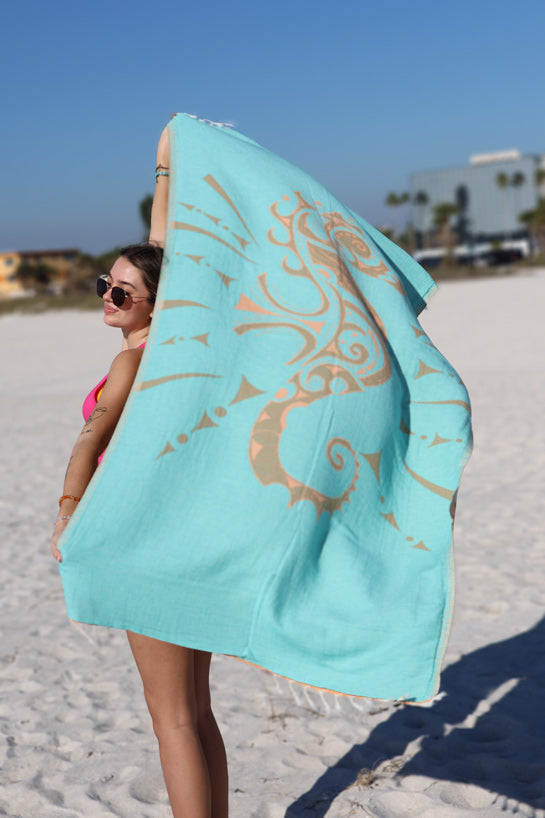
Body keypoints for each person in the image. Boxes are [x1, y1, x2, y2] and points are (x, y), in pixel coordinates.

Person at [51, 133, 228, 818]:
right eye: (104, 284)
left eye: (123, 291)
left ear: (153, 303)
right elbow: (166, 253)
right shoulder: (181, 344)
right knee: (196, 711)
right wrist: (164, 167)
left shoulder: (130, 364)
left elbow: (91, 436)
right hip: (192, 540)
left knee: (172, 720)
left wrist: (67, 511)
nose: (109, 295)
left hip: (145, 542)